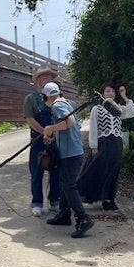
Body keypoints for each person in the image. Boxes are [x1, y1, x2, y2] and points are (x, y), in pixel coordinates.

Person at [42, 82, 95, 238]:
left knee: (69, 186)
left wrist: (50, 128)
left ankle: (83, 219)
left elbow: (69, 122)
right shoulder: (66, 103)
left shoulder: (57, 105)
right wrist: (54, 137)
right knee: (64, 183)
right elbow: (69, 127)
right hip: (72, 151)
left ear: (45, 97)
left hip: (70, 153)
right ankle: (65, 215)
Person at [77, 82, 134, 210]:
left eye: (113, 91)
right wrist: (94, 146)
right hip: (103, 143)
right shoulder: (97, 109)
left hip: (116, 143)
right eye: (107, 91)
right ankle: (78, 194)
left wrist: (125, 96)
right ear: (103, 94)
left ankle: (109, 199)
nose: (110, 93)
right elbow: (93, 128)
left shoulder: (118, 109)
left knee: (113, 171)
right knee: (97, 169)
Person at [23, 67, 61, 217]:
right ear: (38, 81)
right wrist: (44, 132)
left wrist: (54, 134)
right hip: (38, 140)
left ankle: (55, 201)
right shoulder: (31, 99)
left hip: (55, 140)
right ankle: (37, 203)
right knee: (36, 172)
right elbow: (30, 119)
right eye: (44, 78)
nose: (48, 80)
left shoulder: (58, 97)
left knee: (56, 172)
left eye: (50, 78)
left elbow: (62, 118)